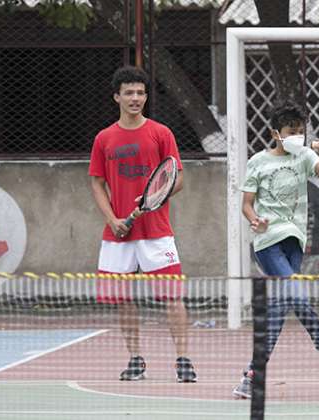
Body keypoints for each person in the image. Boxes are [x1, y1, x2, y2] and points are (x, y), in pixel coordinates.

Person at [232, 101, 319, 399]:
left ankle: (252, 375)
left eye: (301, 132)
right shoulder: (258, 162)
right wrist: (255, 219)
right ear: (276, 133)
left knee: (281, 305)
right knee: (295, 294)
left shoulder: (305, 156)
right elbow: (246, 204)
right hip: (267, 241)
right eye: (291, 131)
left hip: (295, 241)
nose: (297, 136)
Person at [89, 65, 197, 383]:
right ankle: (135, 359)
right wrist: (113, 219)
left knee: (172, 298)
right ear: (117, 97)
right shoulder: (103, 138)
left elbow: (177, 180)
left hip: (156, 233)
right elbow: (96, 183)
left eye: (140, 93)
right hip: (117, 234)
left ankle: (183, 360)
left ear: (146, 97)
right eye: (129, 93)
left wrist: (154, 200)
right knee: (123, 300)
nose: (135, 98)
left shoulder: (161, 133)